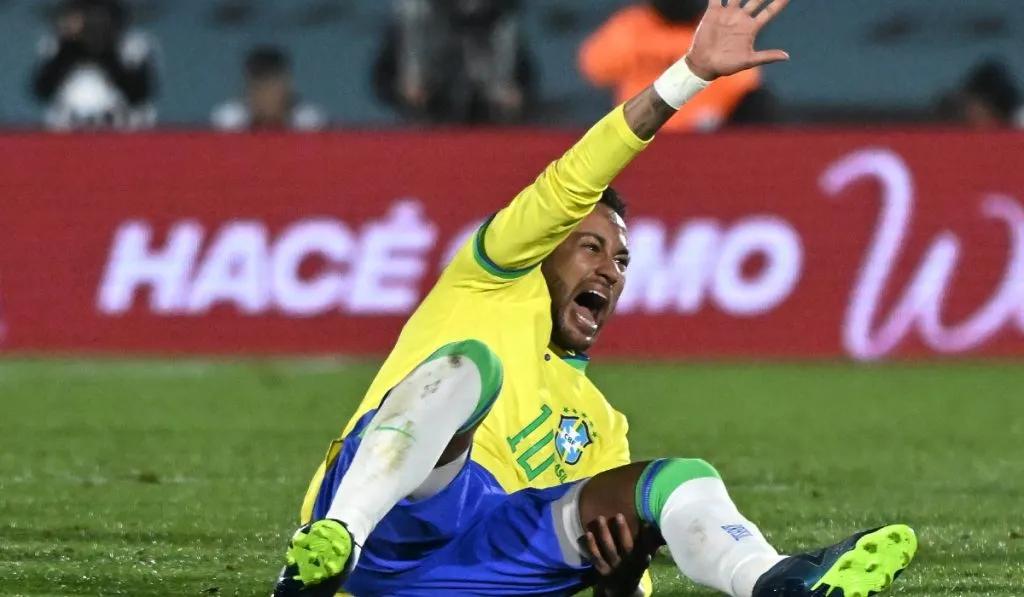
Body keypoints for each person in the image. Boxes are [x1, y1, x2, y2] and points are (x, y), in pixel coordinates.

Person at [273, 2, 918, 596]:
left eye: (622, 260)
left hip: (477, 567)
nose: (610, 270)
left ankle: (774, 581)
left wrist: (621, 582)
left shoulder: (602, 425)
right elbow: (576, 176)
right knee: (469, 366)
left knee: (675, 479)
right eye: (591, 247)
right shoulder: (488, 281)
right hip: (390, 522)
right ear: (544, 246)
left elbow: (624, 578)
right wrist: (690, 75)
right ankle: (334, 541)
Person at [579, 0, 773, 132]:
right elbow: (595, 67)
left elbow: (744, 83)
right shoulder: (631, 25)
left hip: (706, 134)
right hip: (639, 131)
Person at [372, 0, 534, 125]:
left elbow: (520, 82)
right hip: (428, 110)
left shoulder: (501, 18)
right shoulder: (414, 14)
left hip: (483, 114)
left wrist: (510, 91)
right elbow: (387, 78)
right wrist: (407, 83)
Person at [31, 0, 158, 131]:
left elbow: (138, 94)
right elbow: (43, 90)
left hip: (122, 131)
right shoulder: (56, 46)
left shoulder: (134, 46)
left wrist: (103, 49)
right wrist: (71, 47)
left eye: (98, 16)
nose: (91, 24)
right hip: (68, 132)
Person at [211, 45, 327, 132]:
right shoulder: (229, 123)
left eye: (272, 86)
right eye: (258, 87)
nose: (266, 95)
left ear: (287, 86)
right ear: (247, 88)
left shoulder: (309, 123)